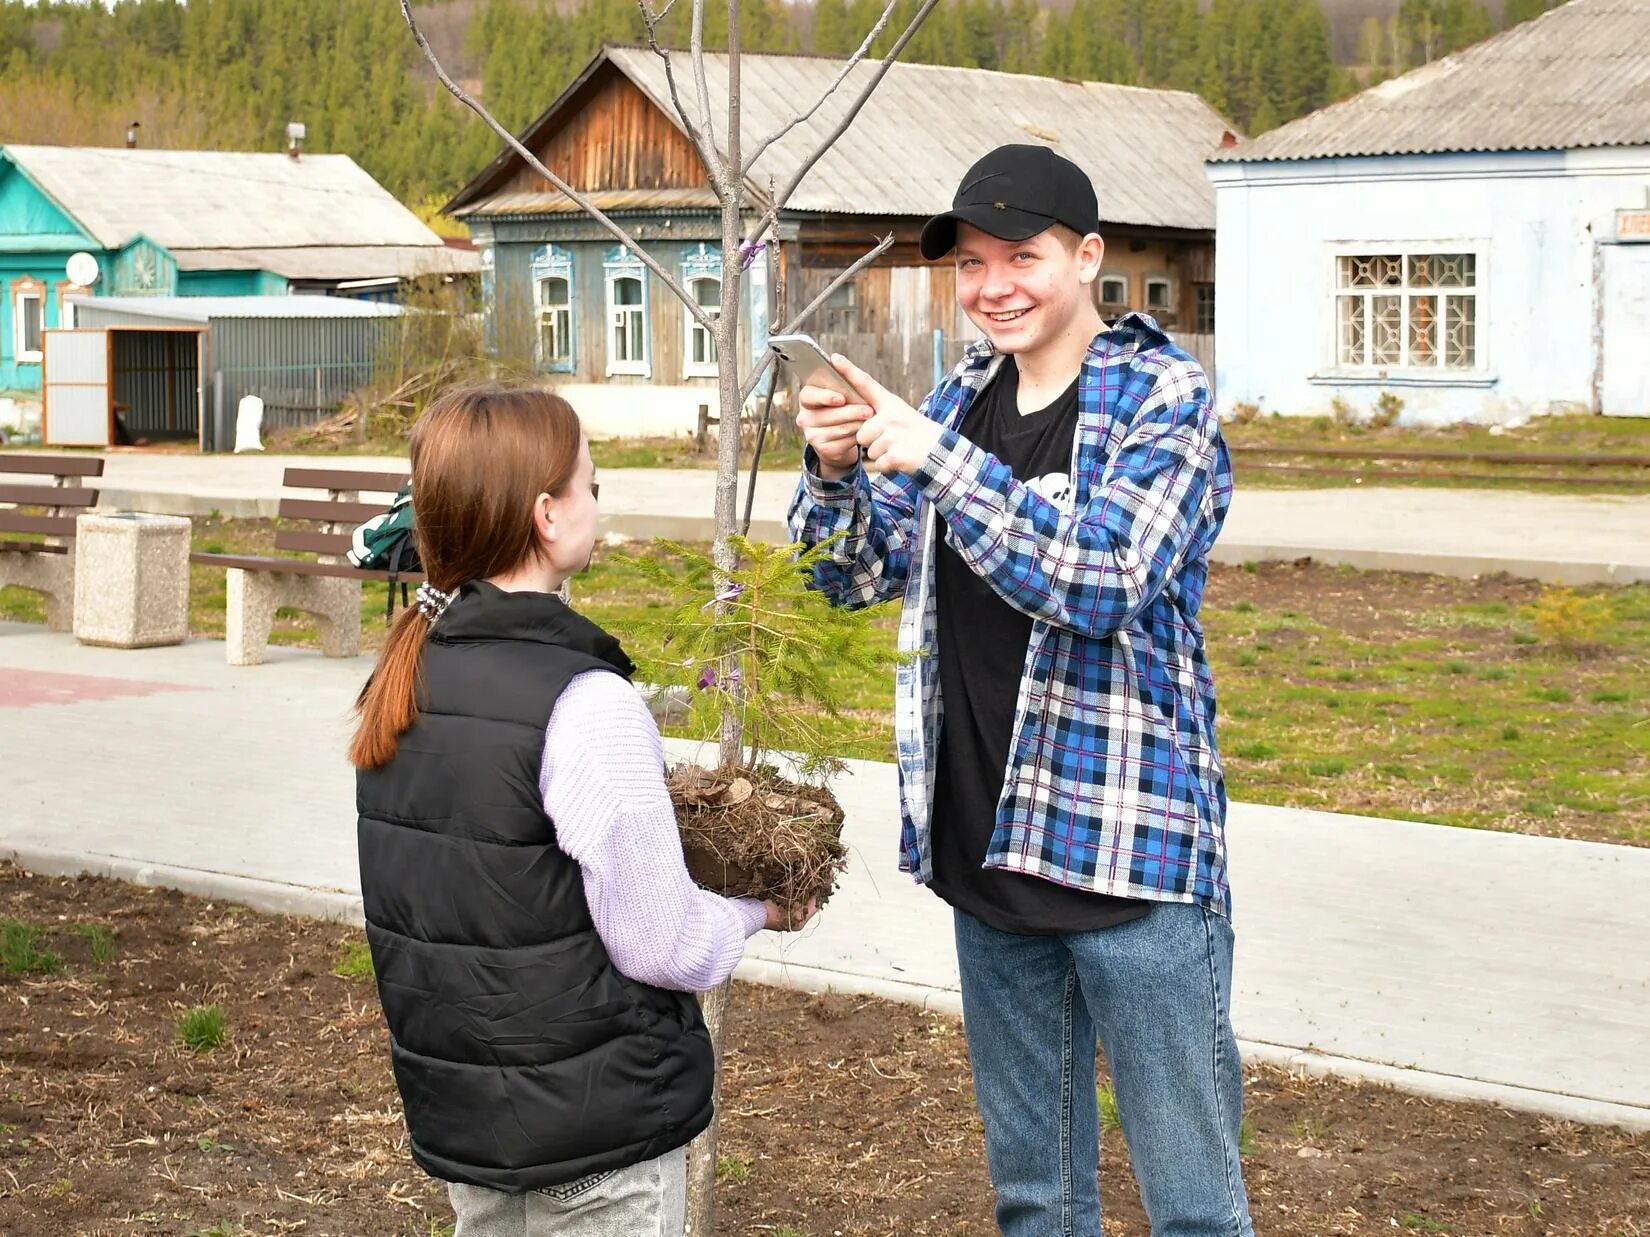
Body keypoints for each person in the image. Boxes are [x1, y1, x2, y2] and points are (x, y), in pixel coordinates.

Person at [788, 144, 1252, 1236]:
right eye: (973, 263)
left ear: (1087, 258)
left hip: (1129, 862)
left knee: (1194, 1206)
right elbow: (848, 579)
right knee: (1037, 1199)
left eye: (1023, 256)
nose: (994, 284)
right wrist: (836, 469)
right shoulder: (958, 396)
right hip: (988, 852)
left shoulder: (1163, 397)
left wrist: (941, 460)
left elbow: (1101, 580)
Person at [350, 384, 813, 1237]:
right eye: (590, 485)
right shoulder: (585, 700)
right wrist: (760, 910)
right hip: (598, 1134)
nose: (598, 500)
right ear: (547, 517)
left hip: (470, 1121)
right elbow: (660, 940)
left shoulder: (403, 677)